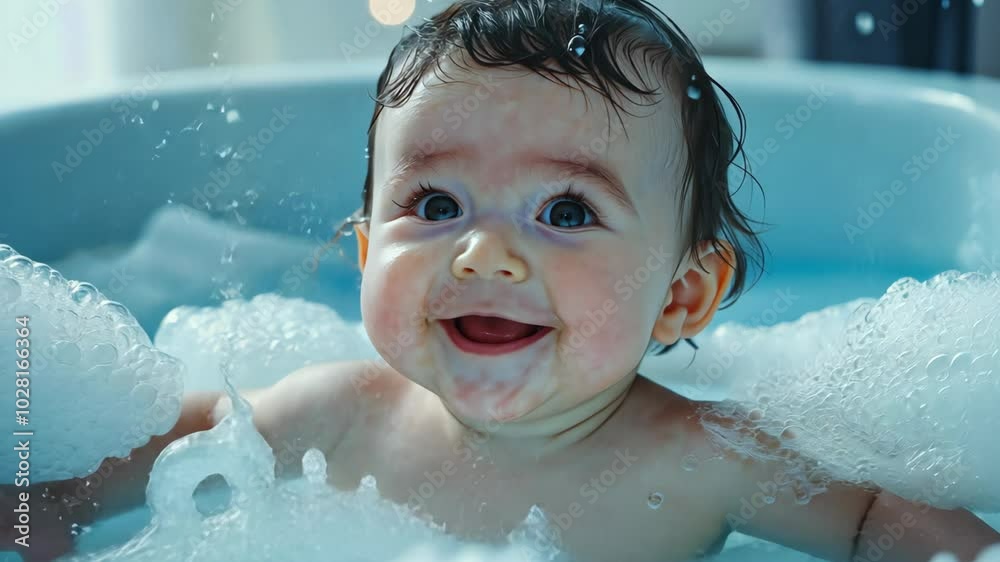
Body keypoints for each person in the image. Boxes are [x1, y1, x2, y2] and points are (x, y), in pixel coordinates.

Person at [6, 1, 998, 561]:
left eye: (565, 213)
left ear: (681, 299)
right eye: (434, 206)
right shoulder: (335, 410)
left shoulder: (703, 456)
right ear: (363, 254)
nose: (481, 255)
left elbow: (872, 518)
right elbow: (79, 487)